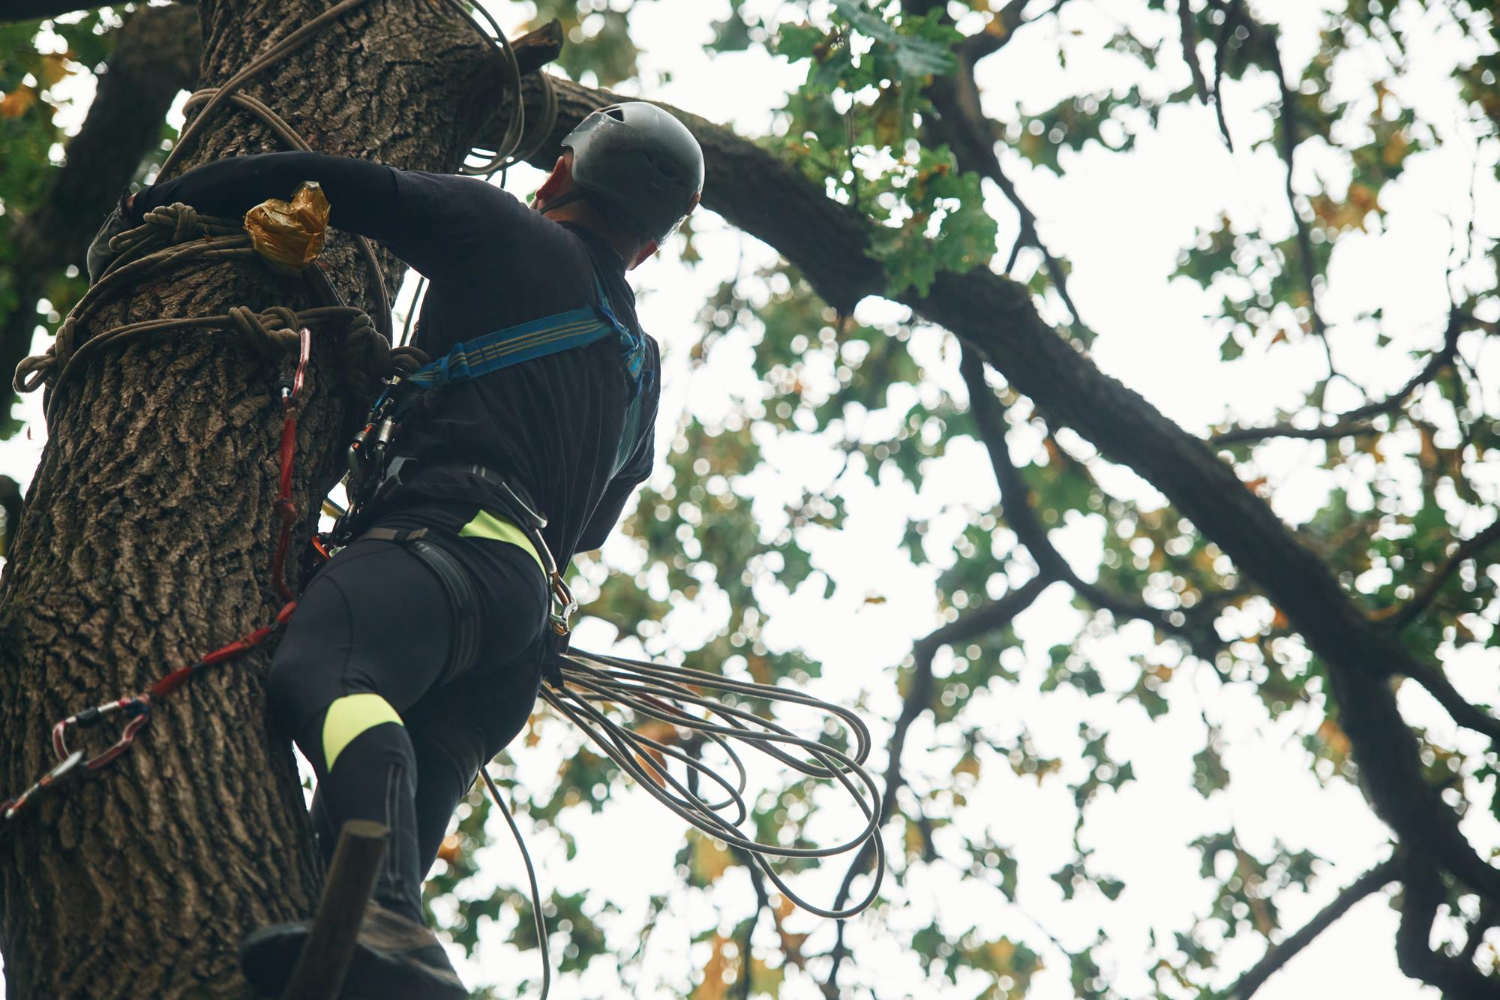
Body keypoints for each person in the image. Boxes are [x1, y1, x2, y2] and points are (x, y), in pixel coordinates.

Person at [117, 103, 704, 998]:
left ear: (559, 174)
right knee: (407, 781)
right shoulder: (641, 366)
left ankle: (386, 912)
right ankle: (383, 952)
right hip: (516, 629)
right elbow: (590, 529)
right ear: (650, 249)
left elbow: (335, 185)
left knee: (331, 679)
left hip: (439, 552)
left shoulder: (504, 226)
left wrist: (155, 209)